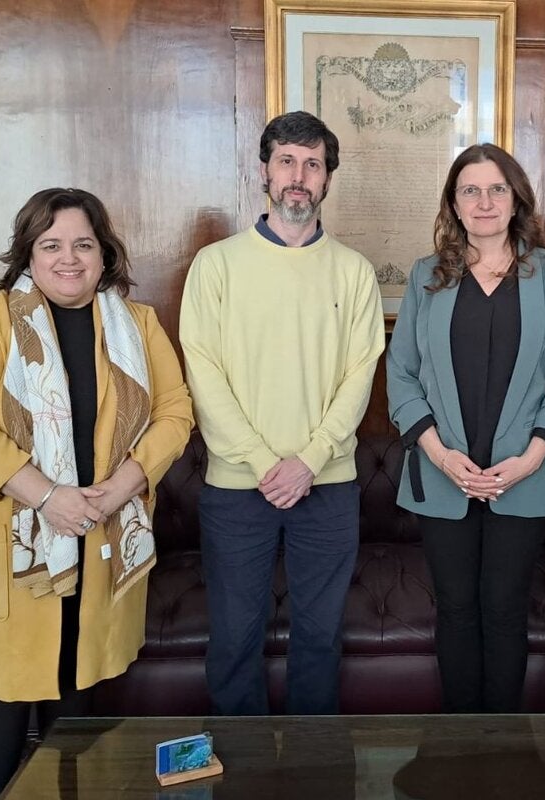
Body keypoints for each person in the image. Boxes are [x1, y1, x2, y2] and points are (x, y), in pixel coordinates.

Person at [0, 187, 194, 800]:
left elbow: (176, 412)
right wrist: (48, 496)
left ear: (105, 255)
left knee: (75, 717)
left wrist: (122, 487)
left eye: (83, 244)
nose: (68, 258)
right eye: (51, 245)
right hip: (12, 554)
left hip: (99, 541)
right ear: (29, 253)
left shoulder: (139, 325)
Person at [179, 111, 384, 716]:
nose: (299, 176)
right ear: (264, 172)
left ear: (327, 179)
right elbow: (203, 373)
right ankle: (241, 762)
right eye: (287, 161)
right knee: (234, 640)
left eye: (312, 164)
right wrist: (265, 462)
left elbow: (360, 377)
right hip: (237, 487)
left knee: (319, 642)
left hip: (328, 485)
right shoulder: (216, 265)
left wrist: (309, 461)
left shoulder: (354, 271)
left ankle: (311, 760)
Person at [386, 143, 545, 713]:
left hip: (525, 474)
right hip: (441, 473)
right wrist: (441, 456)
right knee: (455, 610)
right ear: (454, 203)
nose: (485, 201)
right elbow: (401, 373)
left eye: (497, 189)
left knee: (504, 610)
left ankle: (502, 742)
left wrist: (531, 459)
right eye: (470, 190)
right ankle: (462, 741)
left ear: (516, 198)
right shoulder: (427, 275)